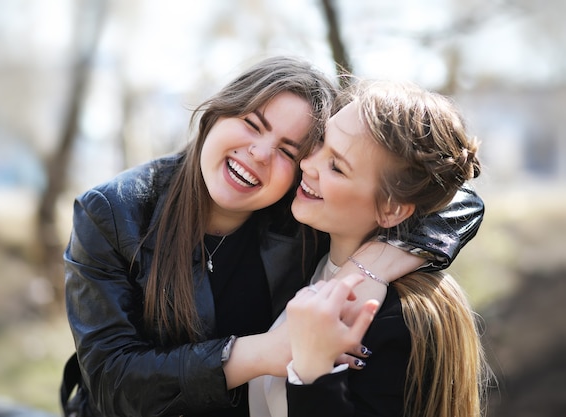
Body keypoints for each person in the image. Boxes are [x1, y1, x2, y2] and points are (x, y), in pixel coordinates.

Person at [60, 57, 485, 417]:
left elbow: (446, 193)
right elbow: (110, 379)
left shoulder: (299, 207)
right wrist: (267, 351)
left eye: (288, 150)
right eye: (251, 123)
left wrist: (369, 267)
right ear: (215, 114)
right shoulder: (114, 213)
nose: (260, 154)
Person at [249, 79, 491, 417]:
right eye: (320, 141)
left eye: (336, 166)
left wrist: (314, 369)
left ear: (392, 209)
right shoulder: (304, 253)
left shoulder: (405, 319)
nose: (308, 164)